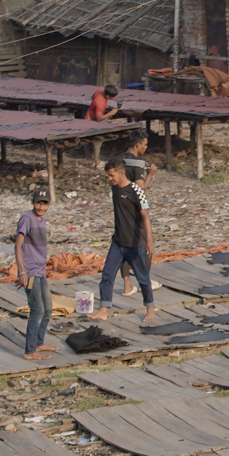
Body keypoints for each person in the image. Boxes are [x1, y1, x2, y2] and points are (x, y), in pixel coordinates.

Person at [89, 158, 156, 323]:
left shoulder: (136, 190)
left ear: (121, 173)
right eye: (108, 176)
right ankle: (103, 309)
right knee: (107, 275)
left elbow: (146, 217)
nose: (109, 179)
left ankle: (150, 309)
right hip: (118, 242)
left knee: (143, 278)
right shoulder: (114, 189)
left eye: (112, 175)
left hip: (136, 243)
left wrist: (149, 241)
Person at [116, 129, 162, 296]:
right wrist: (150, 174)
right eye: (144, 145)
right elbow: (141, 187)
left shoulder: (120, 159)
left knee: (123, 242)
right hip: (135, 205)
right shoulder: (135, 163)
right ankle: (145, 280)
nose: (145, 148)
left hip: (120, 204)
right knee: (144, 241)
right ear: (137, 145)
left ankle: (127, 285)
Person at [15, 188, 58, 360]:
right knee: (37, 310)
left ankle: (39, 342)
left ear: (49, 204)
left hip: (40, 272)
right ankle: (29, 351)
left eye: (44, 203)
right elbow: (18, 246)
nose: (41, 207)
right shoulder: (27, 219)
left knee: (48, 309)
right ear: (33, 202)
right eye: (38, 203)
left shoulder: (42, 220)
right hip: (30, 272)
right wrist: (21, 271)